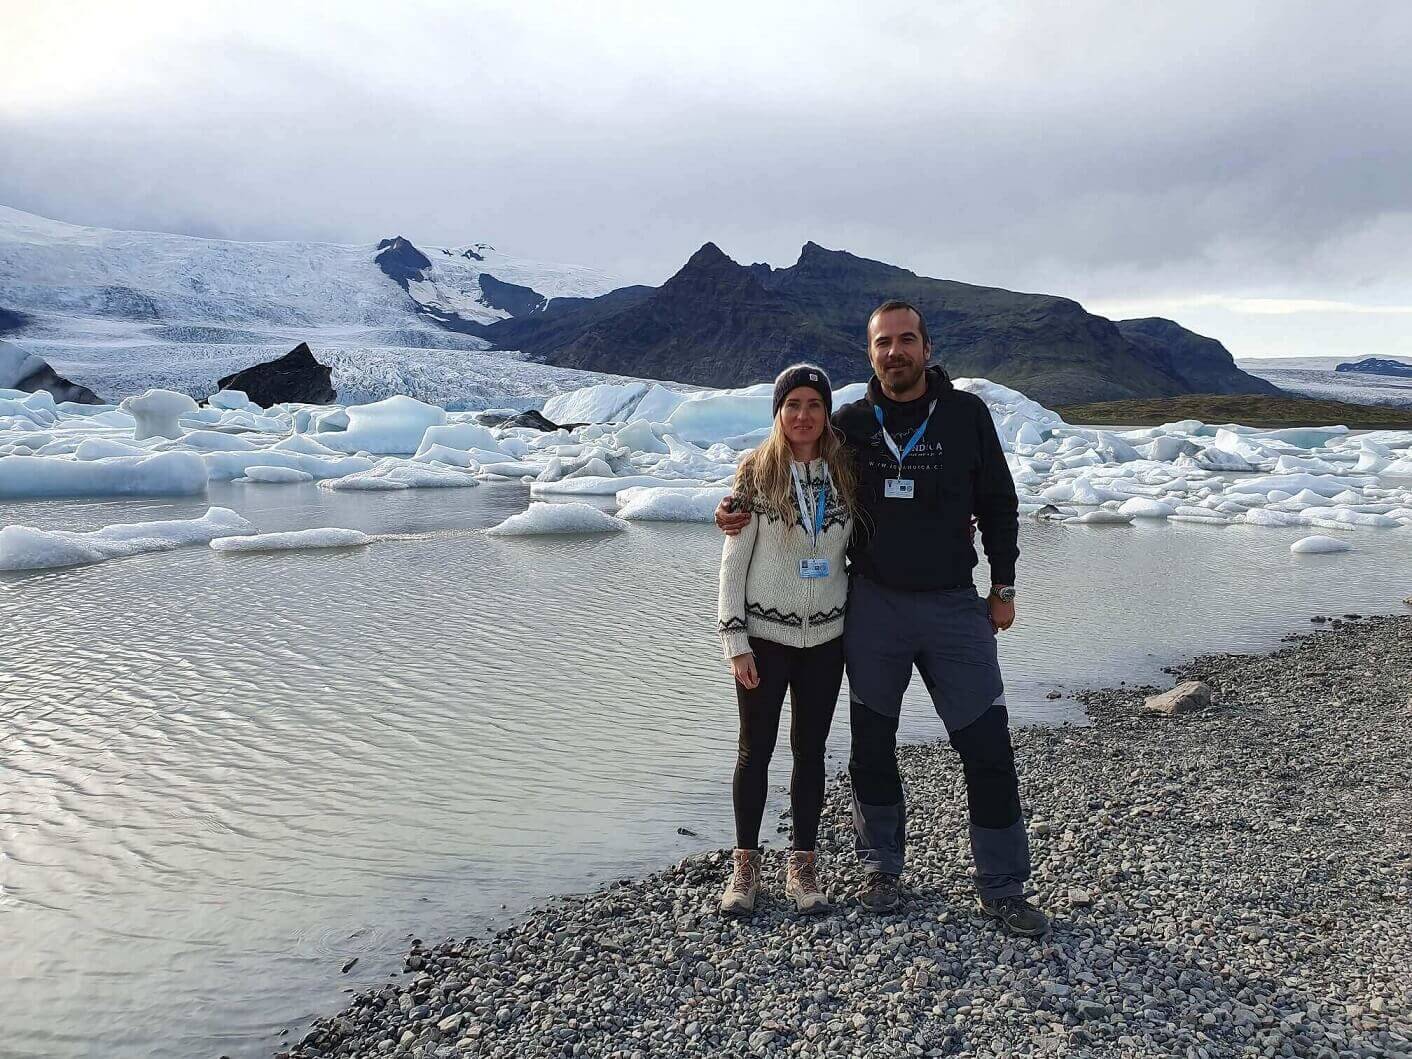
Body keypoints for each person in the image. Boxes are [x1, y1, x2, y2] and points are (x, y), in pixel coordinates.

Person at [717, 301, 1049, 937]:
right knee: (871, 747)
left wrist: (1002, 586)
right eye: (883, 344)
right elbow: (783, 467)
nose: (895, 352)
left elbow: (999, 504)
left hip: (954, 605)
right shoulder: (852, 425)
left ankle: (1003, 886)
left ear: (926, 346)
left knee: (985, 743)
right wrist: (729, 509)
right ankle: (881, 870)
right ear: (869, 354)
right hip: (873, 609)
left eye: (906, 341)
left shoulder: (966, 415)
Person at [716, 365, 857, 916]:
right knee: (755, 750)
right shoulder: (755, 473)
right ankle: (745, 868)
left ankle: (803, 865)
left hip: (826, 637)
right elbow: (733, 562)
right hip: (766, 637)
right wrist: (735, 639)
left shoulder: (846, 473)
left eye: (814, 405)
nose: (803, 415)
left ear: (826, 413)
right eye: (792, 404)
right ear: (778, 412)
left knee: (811, 751)